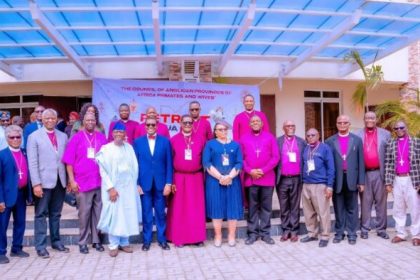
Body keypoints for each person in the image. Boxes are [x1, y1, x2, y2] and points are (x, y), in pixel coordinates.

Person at [62, 112, 107, 254]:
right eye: (87, 120)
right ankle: (82, 242)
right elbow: (69, 162)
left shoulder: (101, 138)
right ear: (83, 122)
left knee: (98, 214)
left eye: (92, 120)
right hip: (82, 183)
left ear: (96, 122)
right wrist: (72, 180)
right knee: (84, 215)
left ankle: (96, 241)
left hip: (99, 182)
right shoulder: (76, 138)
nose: (90, 122)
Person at [27, 108, 69, 258]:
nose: (50, 120)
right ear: (42, 120)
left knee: (56, 213)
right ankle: (40, 245)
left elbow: (66, 160)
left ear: (57, 119)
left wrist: (69, 180)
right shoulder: (34, 137)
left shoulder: (63, 136)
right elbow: (32, 162)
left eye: (53, 118)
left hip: (60, 180)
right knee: (40, 214)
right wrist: (36, 184)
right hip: (43, 182)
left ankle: (56, 242)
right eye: (47, 118)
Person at [96, 122, 142, 257]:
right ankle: (113, 245)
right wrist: (111, 188)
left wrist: (134, 186)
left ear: (124, 134)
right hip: (113, 189)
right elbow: (103, 171)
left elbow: (135, 168)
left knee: (126, 215)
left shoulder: (129, 148)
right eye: (116, 132)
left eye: (121, 132)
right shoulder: (106, 149)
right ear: (112, 133)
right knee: (114, 216)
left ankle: (124, 243)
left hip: (127, 189)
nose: (118, 134)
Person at [166, 115, 206, 247]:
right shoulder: (174, 140)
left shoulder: (200, 139)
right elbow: (169, 162)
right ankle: (179, 238)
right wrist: (171, 181)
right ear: (181, 124)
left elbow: (205, 161)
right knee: (179, 209)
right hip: (179, 177)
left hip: (196, 178)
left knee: (196, 208)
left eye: (190, 122)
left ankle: (197, 238)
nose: (188, 124)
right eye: (185, 122)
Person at [133, 117, 173, 251]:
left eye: (153, 124)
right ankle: (147, 241)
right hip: (144, 183)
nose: (150, 126)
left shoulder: (165, 142)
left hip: (161, 183)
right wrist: (137, 183)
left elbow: (169, 164)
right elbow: (135, 165)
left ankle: (162, 240)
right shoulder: (137, 142)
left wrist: (168, 182)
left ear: (157, 126)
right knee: (146, 213)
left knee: (161, 213)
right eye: (148, 124)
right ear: (145, 126)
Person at [325, 115, 365, 245]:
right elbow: (328, 164)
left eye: (345, 122)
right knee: (338, 208)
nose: (342, 124)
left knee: (352, 208)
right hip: (337, 180)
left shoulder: (357, 140)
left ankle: (352, 233)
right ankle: (339, 233)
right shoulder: (329, 141)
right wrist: (328, 183)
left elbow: (361, 162)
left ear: (349, 124)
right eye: (340, 122)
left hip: (352, 179)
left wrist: (361, 181)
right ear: (336, 124)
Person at [240, 115, 279, 245]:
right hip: (251, 178)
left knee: (266, 208)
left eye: (257, 121)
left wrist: (263, 170)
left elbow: (275, 157)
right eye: (253, 121)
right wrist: (250, 171)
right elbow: (241, 158)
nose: (255, 123)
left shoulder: (270, 137)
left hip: (267, 177)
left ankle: (265, 234)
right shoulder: (243, 138)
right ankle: (252, 234)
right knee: (252, 208)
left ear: (262, 124)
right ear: (250, 124)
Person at [203, 122, 243, 247]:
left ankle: (231, 236)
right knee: (217, 208)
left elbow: (239, 163)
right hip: (215, 182)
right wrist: (220, 177)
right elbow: (206, 163)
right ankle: (218, 235)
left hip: (232, 181)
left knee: (233, 208)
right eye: (220, 129)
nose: (223, 131)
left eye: (225, 129)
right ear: (215, 131)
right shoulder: (210, 144)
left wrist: (230, 176)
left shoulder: (235, 145)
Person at [355, 111, 391, 240]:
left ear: (376, 119)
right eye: (367, 118)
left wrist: (389, 179)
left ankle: (381, 229)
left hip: (380, 173)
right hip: (364, 174)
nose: (370, 119)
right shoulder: (357, 135)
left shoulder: (386, 134)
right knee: (365, 203)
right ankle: (365, 228)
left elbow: (389, 157)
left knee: (381, 203)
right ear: (364, 120)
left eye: (372, 117)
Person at [384, 120, 420, 246]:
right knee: (398, 207)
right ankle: (401, 233)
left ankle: (416, 235)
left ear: (406, 127)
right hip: (397, 179)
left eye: (401, 127)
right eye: (396, 128)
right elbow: (388, 163)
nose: (399, 130)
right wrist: (388, 182)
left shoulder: (416, 142)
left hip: (412, 179)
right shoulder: (391, 143)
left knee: (415, 207)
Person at [0, 125, 31, 264]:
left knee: (20, 223)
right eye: (12, 137)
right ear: (7, 138)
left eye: (18, 137)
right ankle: (1, 252)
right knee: (2, 225)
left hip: (21, 193)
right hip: (5, 197)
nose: (15, 139)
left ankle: (16, 248)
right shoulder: (2, 154)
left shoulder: (24, 152)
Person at [300, 128, 335, 248]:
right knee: (308, 212)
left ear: (318, 135)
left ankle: (325, 235)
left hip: (320, 184)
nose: (310, 137)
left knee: (323, 211)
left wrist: (329, 186)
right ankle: (312, 234)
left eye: (313, 135)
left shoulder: (325, 148)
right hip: (306, 184)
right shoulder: (306, 148)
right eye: (308, 135)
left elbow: (331, 168)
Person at [275, 120, 305, 242]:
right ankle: (285, 230)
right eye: (288, 126)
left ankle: (294, 231)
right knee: (284, 206)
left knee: (295, 205)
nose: (290, 127)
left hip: (297, 178)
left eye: (292, 125)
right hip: (282, 179)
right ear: (283, 128)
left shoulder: (302, 142)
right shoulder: (277, 141)